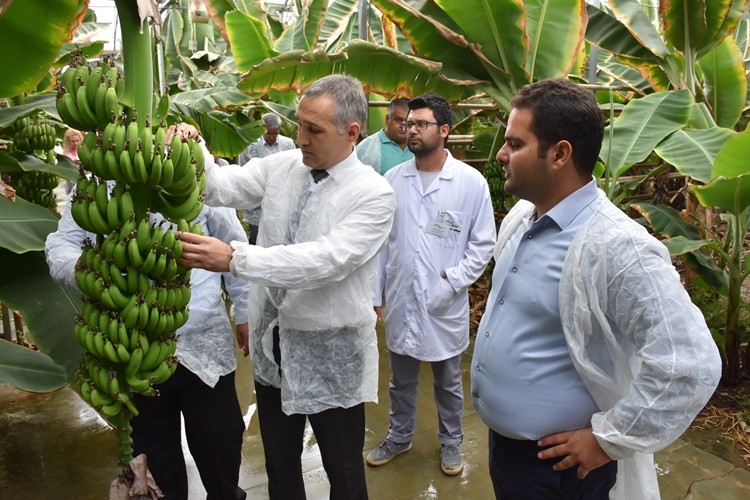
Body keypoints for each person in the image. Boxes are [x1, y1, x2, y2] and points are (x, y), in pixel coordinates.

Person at [470, 78, 721, 499]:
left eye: (515, 144)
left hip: (560, 468)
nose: (501, 154)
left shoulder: (619, 248)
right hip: (509, 451)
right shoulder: (520, 218)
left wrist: (608, 439)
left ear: (560, 154)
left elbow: (689, 362)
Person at [174, 74, 396, 500]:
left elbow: (325, 260)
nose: (302, 137)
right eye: (300, 124)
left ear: (352, 132)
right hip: (273, 346)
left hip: (329, 355)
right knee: (280, 463)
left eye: (315, 129)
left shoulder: (373, 194)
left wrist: (235, 257)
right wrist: (194, 143)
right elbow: (219, 187)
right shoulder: (283, 167)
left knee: (344, 472)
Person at [45, 190, 251, 500]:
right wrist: (92, 271)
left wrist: (245, 308)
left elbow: (233, 244)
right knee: (156, 470)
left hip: (203, 346)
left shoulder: (191, 171)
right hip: (131, 348)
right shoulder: (96, 186)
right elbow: (62, 245)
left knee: (221, 445)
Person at [365, 94, 495, 476]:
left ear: (444, 130)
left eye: (421, 124)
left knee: (448, 381)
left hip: (443, 301)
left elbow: (484, 242)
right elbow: (383, 245)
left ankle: (451, 442)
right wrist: (376, 294)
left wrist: (452, 281)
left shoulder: (470, 183)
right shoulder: (394, 180)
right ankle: (399, 435)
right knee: (400, 380)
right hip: (402, 298)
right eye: (408, 124)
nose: (411, 130)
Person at [237, 112, 296, 244]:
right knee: (256, 238)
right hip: (257, 202)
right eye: (268, 133)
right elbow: (243, 173)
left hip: (281, 200)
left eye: (274, 134)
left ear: (279, 131)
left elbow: (293, 170)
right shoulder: (251, 146)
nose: (271, 137)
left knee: (278, 239)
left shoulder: (288, 145)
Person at [356, 97, 414, 174]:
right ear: (387, 119)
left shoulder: (420, 146)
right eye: (398, 120)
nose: (403, 126)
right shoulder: (365, 149)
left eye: (408, 122)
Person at [61, 128, 84, 193]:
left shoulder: (83, 150)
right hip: (72, 182)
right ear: (68, 141)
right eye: (73, 141)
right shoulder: (66, 154)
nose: (75, 143)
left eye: (77, 141)